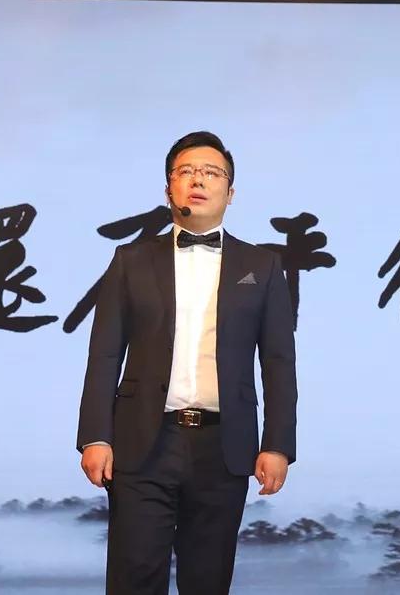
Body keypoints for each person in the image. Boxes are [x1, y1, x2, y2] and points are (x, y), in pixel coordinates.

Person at [76, 130, 297, 594]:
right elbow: (104, 353)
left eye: (211, 172)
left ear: (230, 193)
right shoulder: (131, 260)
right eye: (186, 171)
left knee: (208, 580)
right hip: (142, 442)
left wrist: (277, 444)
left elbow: (278, 362)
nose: (198, 180)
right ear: (168, 189)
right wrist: (96, 436)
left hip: (224, 446)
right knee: (134, 577)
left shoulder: (263, 266)